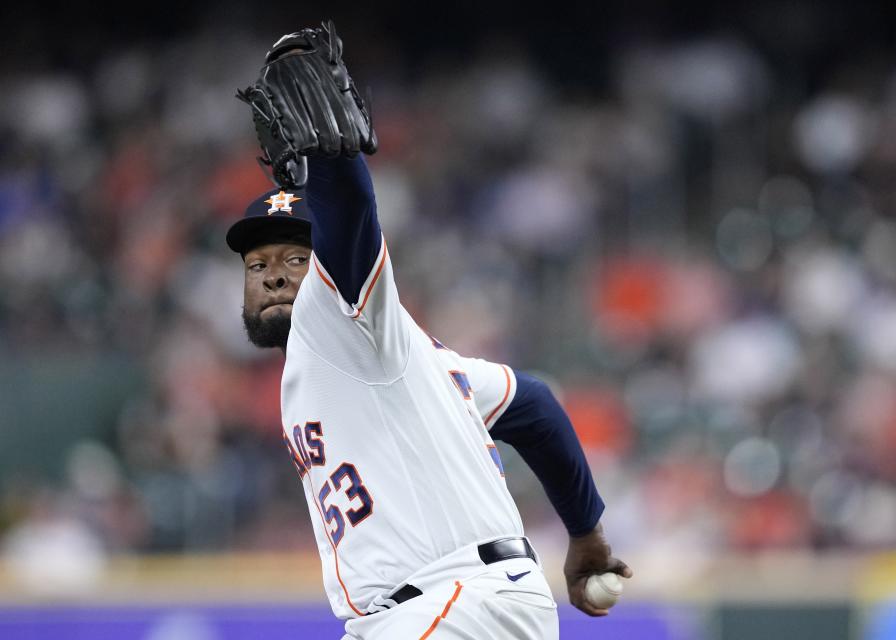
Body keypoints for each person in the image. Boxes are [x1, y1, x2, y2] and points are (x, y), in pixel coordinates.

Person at [226, 24, 631, 640]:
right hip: (442, 612)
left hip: (454, 604)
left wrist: (335, 165)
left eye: (295, 259)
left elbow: (350, 216)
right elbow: (534, 407)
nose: (276, 278)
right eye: (259, 266)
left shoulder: (334, 318)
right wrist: (586, 535)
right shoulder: (406, 363)